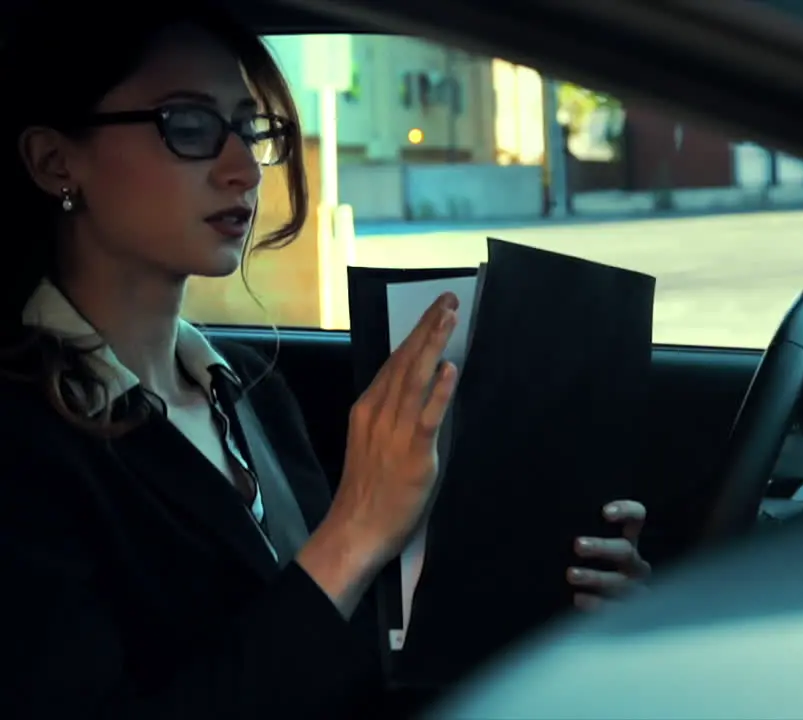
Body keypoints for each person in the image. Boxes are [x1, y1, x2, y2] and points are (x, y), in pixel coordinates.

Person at [0, 5, 649, 719]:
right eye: (188, 126)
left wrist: (552, 606)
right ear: (53, 160)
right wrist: (357, 533)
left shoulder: (247, 387)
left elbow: (338, 656)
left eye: (251, 128)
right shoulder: (24, 440)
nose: (243, 168)